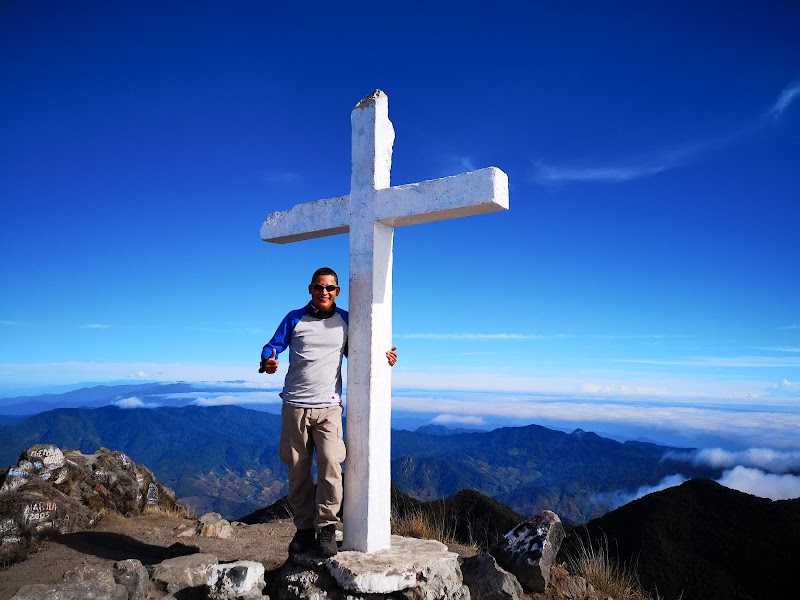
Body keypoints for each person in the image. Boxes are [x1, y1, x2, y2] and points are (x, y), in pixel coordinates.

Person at [260, 267, 397, 557]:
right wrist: (268, 361)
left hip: (329, 408)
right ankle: (304, 529)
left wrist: (384, 355)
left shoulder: (345, 321)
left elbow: (361, 352)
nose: (325, 292)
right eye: (319, 287)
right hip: (295, 406)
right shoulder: (294, 318)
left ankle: (326, 528)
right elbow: (272, 346)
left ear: (337, 292)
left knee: (332, 466)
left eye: (330, 288)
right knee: (297, 471)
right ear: (310, 289)